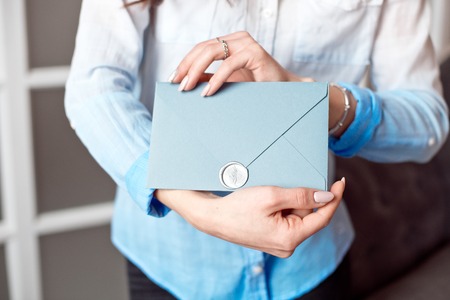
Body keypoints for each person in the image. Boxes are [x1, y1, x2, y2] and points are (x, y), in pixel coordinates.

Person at [65, 0, 448, 299]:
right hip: (169, 264)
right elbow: (93, 87)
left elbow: (429, 123)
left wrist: (306, 97)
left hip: (311, 263)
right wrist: (201, 209)